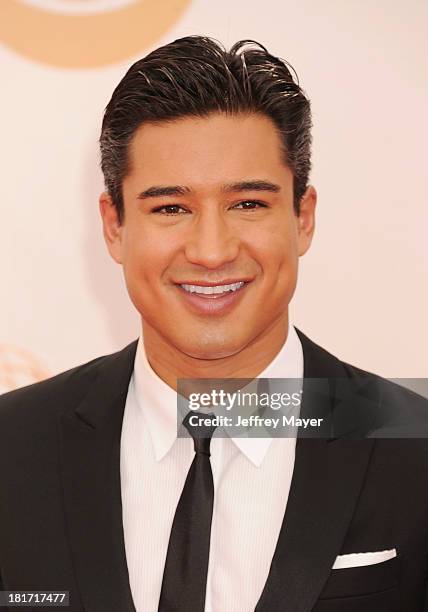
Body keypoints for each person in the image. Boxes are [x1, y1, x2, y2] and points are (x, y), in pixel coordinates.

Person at [0, 35, 427, 612]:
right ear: (114, 226)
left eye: (248, 204)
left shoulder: (412, 444)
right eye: (170, 208)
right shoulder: (13, 447)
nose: (210, 251)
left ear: (302, 217)